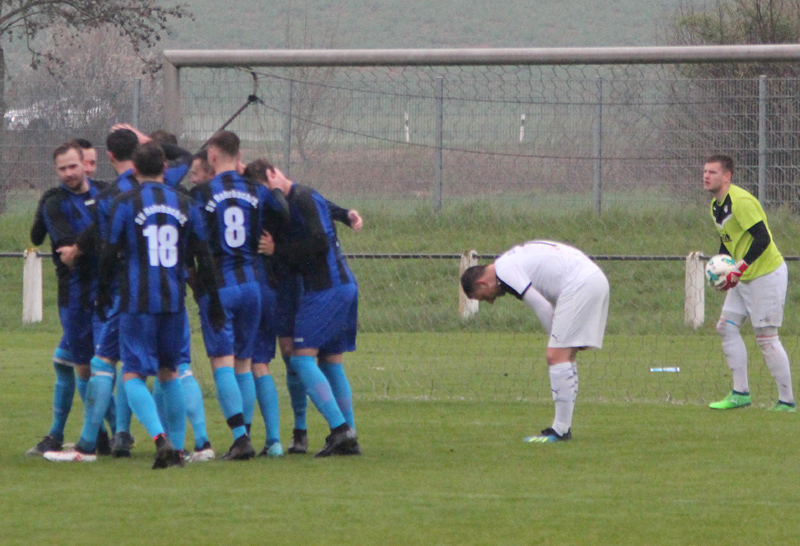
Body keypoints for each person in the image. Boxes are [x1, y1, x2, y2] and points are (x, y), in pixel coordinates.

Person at [98, 142, 222, 468]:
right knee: (170, 373)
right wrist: (213, 301)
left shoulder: (125, 203)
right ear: (165, 168)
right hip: (173, 302)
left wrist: (100, 294)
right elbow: (204, 257)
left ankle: (159, 438)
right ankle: (178, 450)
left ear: (134, 170)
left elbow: (109, 252)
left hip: (136, 302)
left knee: (133, 374)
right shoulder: (185, 203)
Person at [191, 131, 288, 460]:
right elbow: (282, 212)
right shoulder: (257, 191)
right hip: (252, 286)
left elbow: (195, 240)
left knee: (222, 362)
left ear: (212, 156)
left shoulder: (202, 193)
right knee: (245, 363)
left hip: (220, 286)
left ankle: (239, 439)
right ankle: (247, 434)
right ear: (239, 154)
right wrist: (275, 188)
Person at [460, 240, 610, 443]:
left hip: (581, 283)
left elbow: (543, 307)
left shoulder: (505, 272)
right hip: (592, 278)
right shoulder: (508, 262)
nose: (491, 301)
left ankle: (560, 431)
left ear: (482, 283)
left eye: (483, 298)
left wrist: (554, 340)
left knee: (556, 356)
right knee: (565, 356)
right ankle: (562, 428)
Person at [261, 162, 361, 457]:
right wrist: (345, 214)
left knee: (301, 359)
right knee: (330, 363)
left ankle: (341, 430)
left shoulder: (301, 197)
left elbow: (318, 243)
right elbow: (325, 208)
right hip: (339, 286)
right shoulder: (305, 195)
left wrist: (277, 251)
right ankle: (348, 437)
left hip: (326, 289)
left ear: (273, 174)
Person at [26, 141, 111, 457]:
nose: (69, 173)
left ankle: (113, 434)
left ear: (86, 164)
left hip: (106, 294)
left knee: (101, 365)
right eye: (62, 169)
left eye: (73, 166)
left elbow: (99, 241)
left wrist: (86, 246)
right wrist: (98, 241)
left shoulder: (106, 192)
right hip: (74, 295)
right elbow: (66, 247)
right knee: (77, 365)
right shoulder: (54, 202)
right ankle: (101, 435)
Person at [702, 154, 795, 411]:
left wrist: (739, 267)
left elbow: (763, 238)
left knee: (766, 338)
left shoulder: (741, 202)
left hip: (766, 274)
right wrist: (722, 270)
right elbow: (728, 242)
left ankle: (787, 401)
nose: (706, 176)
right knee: (726, 327)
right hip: (743, 277)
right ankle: (740, 393)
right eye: (705, 171)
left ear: (727, 176)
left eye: (712, 172)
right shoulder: (715, 206)